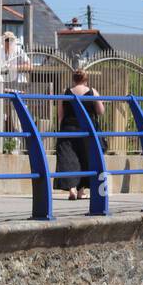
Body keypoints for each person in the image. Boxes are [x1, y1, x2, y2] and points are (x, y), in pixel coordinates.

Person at [54, 69, 104, 200]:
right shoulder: (92, 92)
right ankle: (81, 190)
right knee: (86, 158)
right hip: (87, 130)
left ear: (73, 79)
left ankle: (72, 189)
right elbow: (100, 111)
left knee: (68, 158)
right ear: (86, 79)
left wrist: (62, 128)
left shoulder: (65, 92)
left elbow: (60, 114)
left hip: (69, 128)